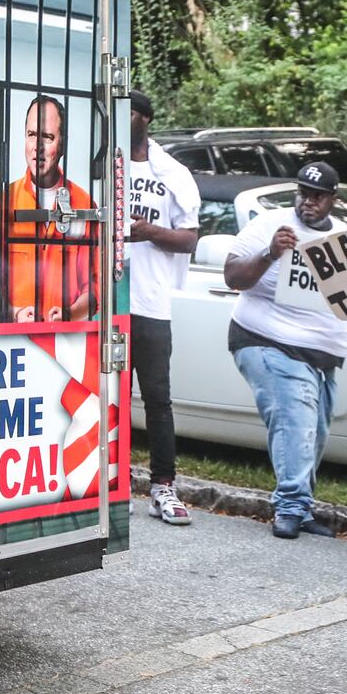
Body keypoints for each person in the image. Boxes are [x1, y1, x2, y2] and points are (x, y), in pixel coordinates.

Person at [223, 162, 347, 539]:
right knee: (295, 420)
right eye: (302, 193)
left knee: (315, 430)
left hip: (322, 354)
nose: (308, 202)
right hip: (267, 339)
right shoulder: (270, 226)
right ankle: (291, 505)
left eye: (317, 196)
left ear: (332, 199)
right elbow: (232, 277)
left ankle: (301, 505)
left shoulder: (343, 235)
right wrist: (269, 253)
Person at [125, 90, 201, 525]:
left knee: (157, 398)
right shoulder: (100, 162)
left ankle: (162, 487)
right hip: (103, 301)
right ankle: (104, 484)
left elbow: (190, 237)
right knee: (103, 398)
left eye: (129, 112)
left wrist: (150, 231)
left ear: (146, 119)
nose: (122, 118)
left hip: (151, 302)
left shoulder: (172, 172)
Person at [0, 96, 97, 323]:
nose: (38, 147)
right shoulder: (4, 203)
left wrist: (70, 313)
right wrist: (14, 314)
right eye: (32, 135)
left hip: (66, 345)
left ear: (62, 145)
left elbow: (94, 288)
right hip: (15, 345)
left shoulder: (84, 204)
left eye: (47, 137)